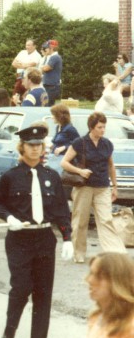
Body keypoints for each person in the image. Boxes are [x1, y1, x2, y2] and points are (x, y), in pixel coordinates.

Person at [0, 124, 74, 338]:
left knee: (43, 293)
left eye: (39, 145)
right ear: (22, 147)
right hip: (20, 238)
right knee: (21, 287)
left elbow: (60, 210)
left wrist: (67, 237)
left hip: (44, 238)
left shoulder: (51, 177)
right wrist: (9, 217)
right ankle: (10, 329)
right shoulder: (10, 176)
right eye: (31, 145)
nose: (36, 149)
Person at [60, 112, 127, 263]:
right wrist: (80, 171)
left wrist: (115, 186)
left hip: (103, 187)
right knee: (80, 221)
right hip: (84, 187)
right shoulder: (79, 142)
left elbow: (111, 165)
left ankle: (115, 254)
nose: (103, 130)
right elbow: (64, 163)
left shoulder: (107, 144)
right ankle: (78, 253)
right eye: (99, 127)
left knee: (106, 220)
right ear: (91, 127)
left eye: (104, 127)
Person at [41, 40, 62, 106]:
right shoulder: (51, 57)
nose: (45, 50)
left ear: (51, 48)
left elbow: (46, 68)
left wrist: (42, 67)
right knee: (46, 104)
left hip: (52, 86)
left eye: (46, 48)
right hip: (49, 85)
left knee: (48, 105)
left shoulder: (55, 57)